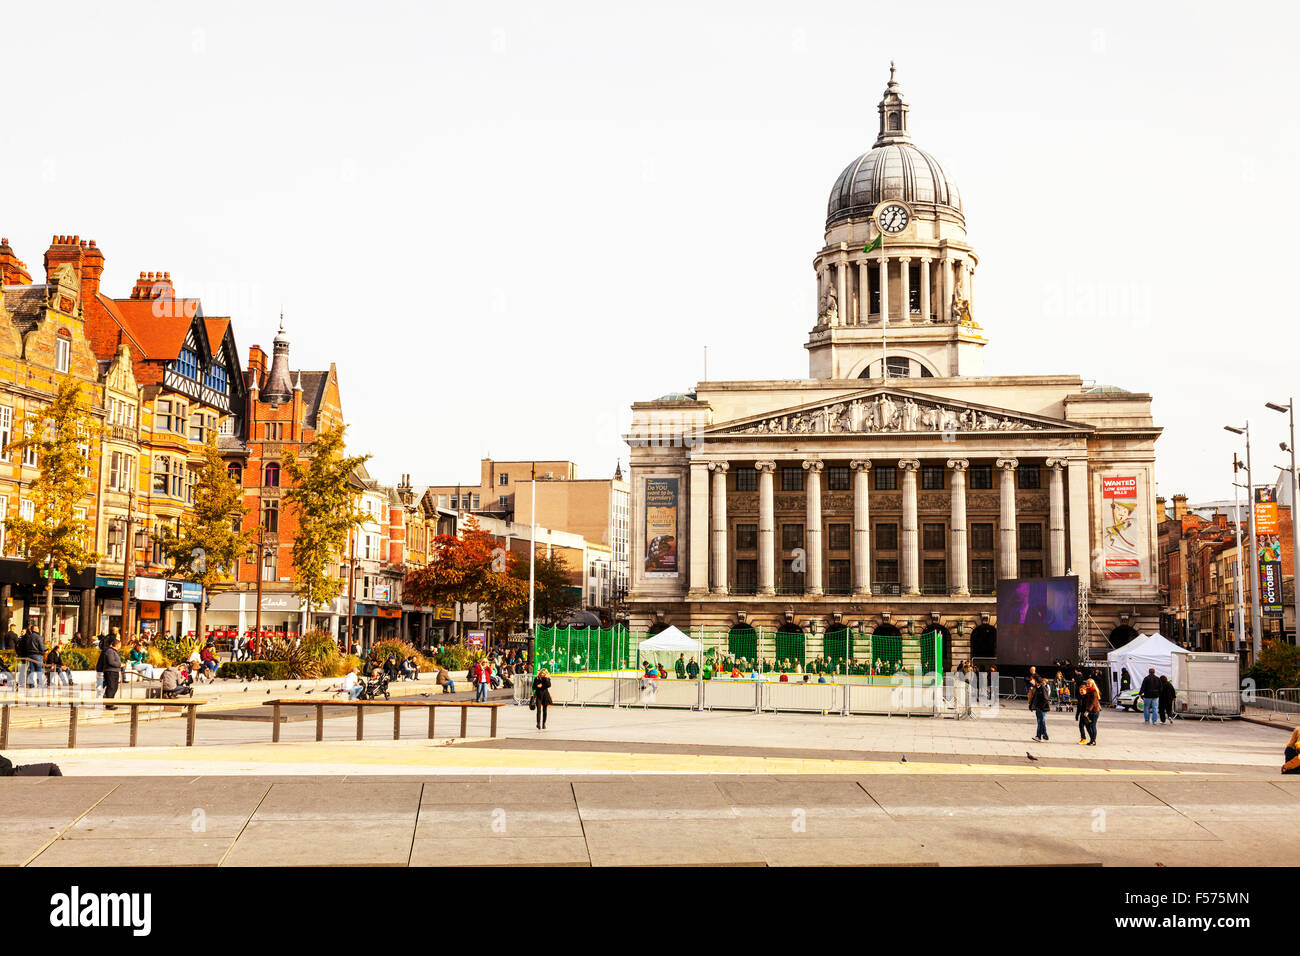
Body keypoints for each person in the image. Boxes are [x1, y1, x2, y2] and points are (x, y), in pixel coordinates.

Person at [102, 636, 124, 710]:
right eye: (120, 645)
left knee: (114, 687)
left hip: (115, 671)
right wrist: (120, 665)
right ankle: (109, 704)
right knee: (111, 687)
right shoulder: (110, 651)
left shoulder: (114, 651)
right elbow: (111, 662)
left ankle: (110, 702)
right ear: (117, 645)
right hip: (110, 671)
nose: (120, 647)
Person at [1079, 673, 1101, 746]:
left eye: (1089, 683)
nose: (1087, 684)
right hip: (1089, 711)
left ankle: (1093, 740)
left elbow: (1093, 702)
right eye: (1087, 683)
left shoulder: (1094, 691)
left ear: (1092, 684)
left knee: (1092, 725)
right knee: (1087, 725)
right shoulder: (1088, 691)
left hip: (1094, 711)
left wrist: (1087, 711)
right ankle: (1091, 739)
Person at [1029, 675, 1050, 741]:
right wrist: (1031, 706)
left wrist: (1040, 707)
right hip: (1038, 708)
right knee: (1041, 722)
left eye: (1033, 680)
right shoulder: (1037, 688)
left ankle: (1038, 736)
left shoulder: (1043, 688)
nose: (1032, 681)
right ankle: (1045, 736)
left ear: (1037, 682)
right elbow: (1034, 698)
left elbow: (1046, 699)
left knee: (1040, 722)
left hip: (1042, 709)